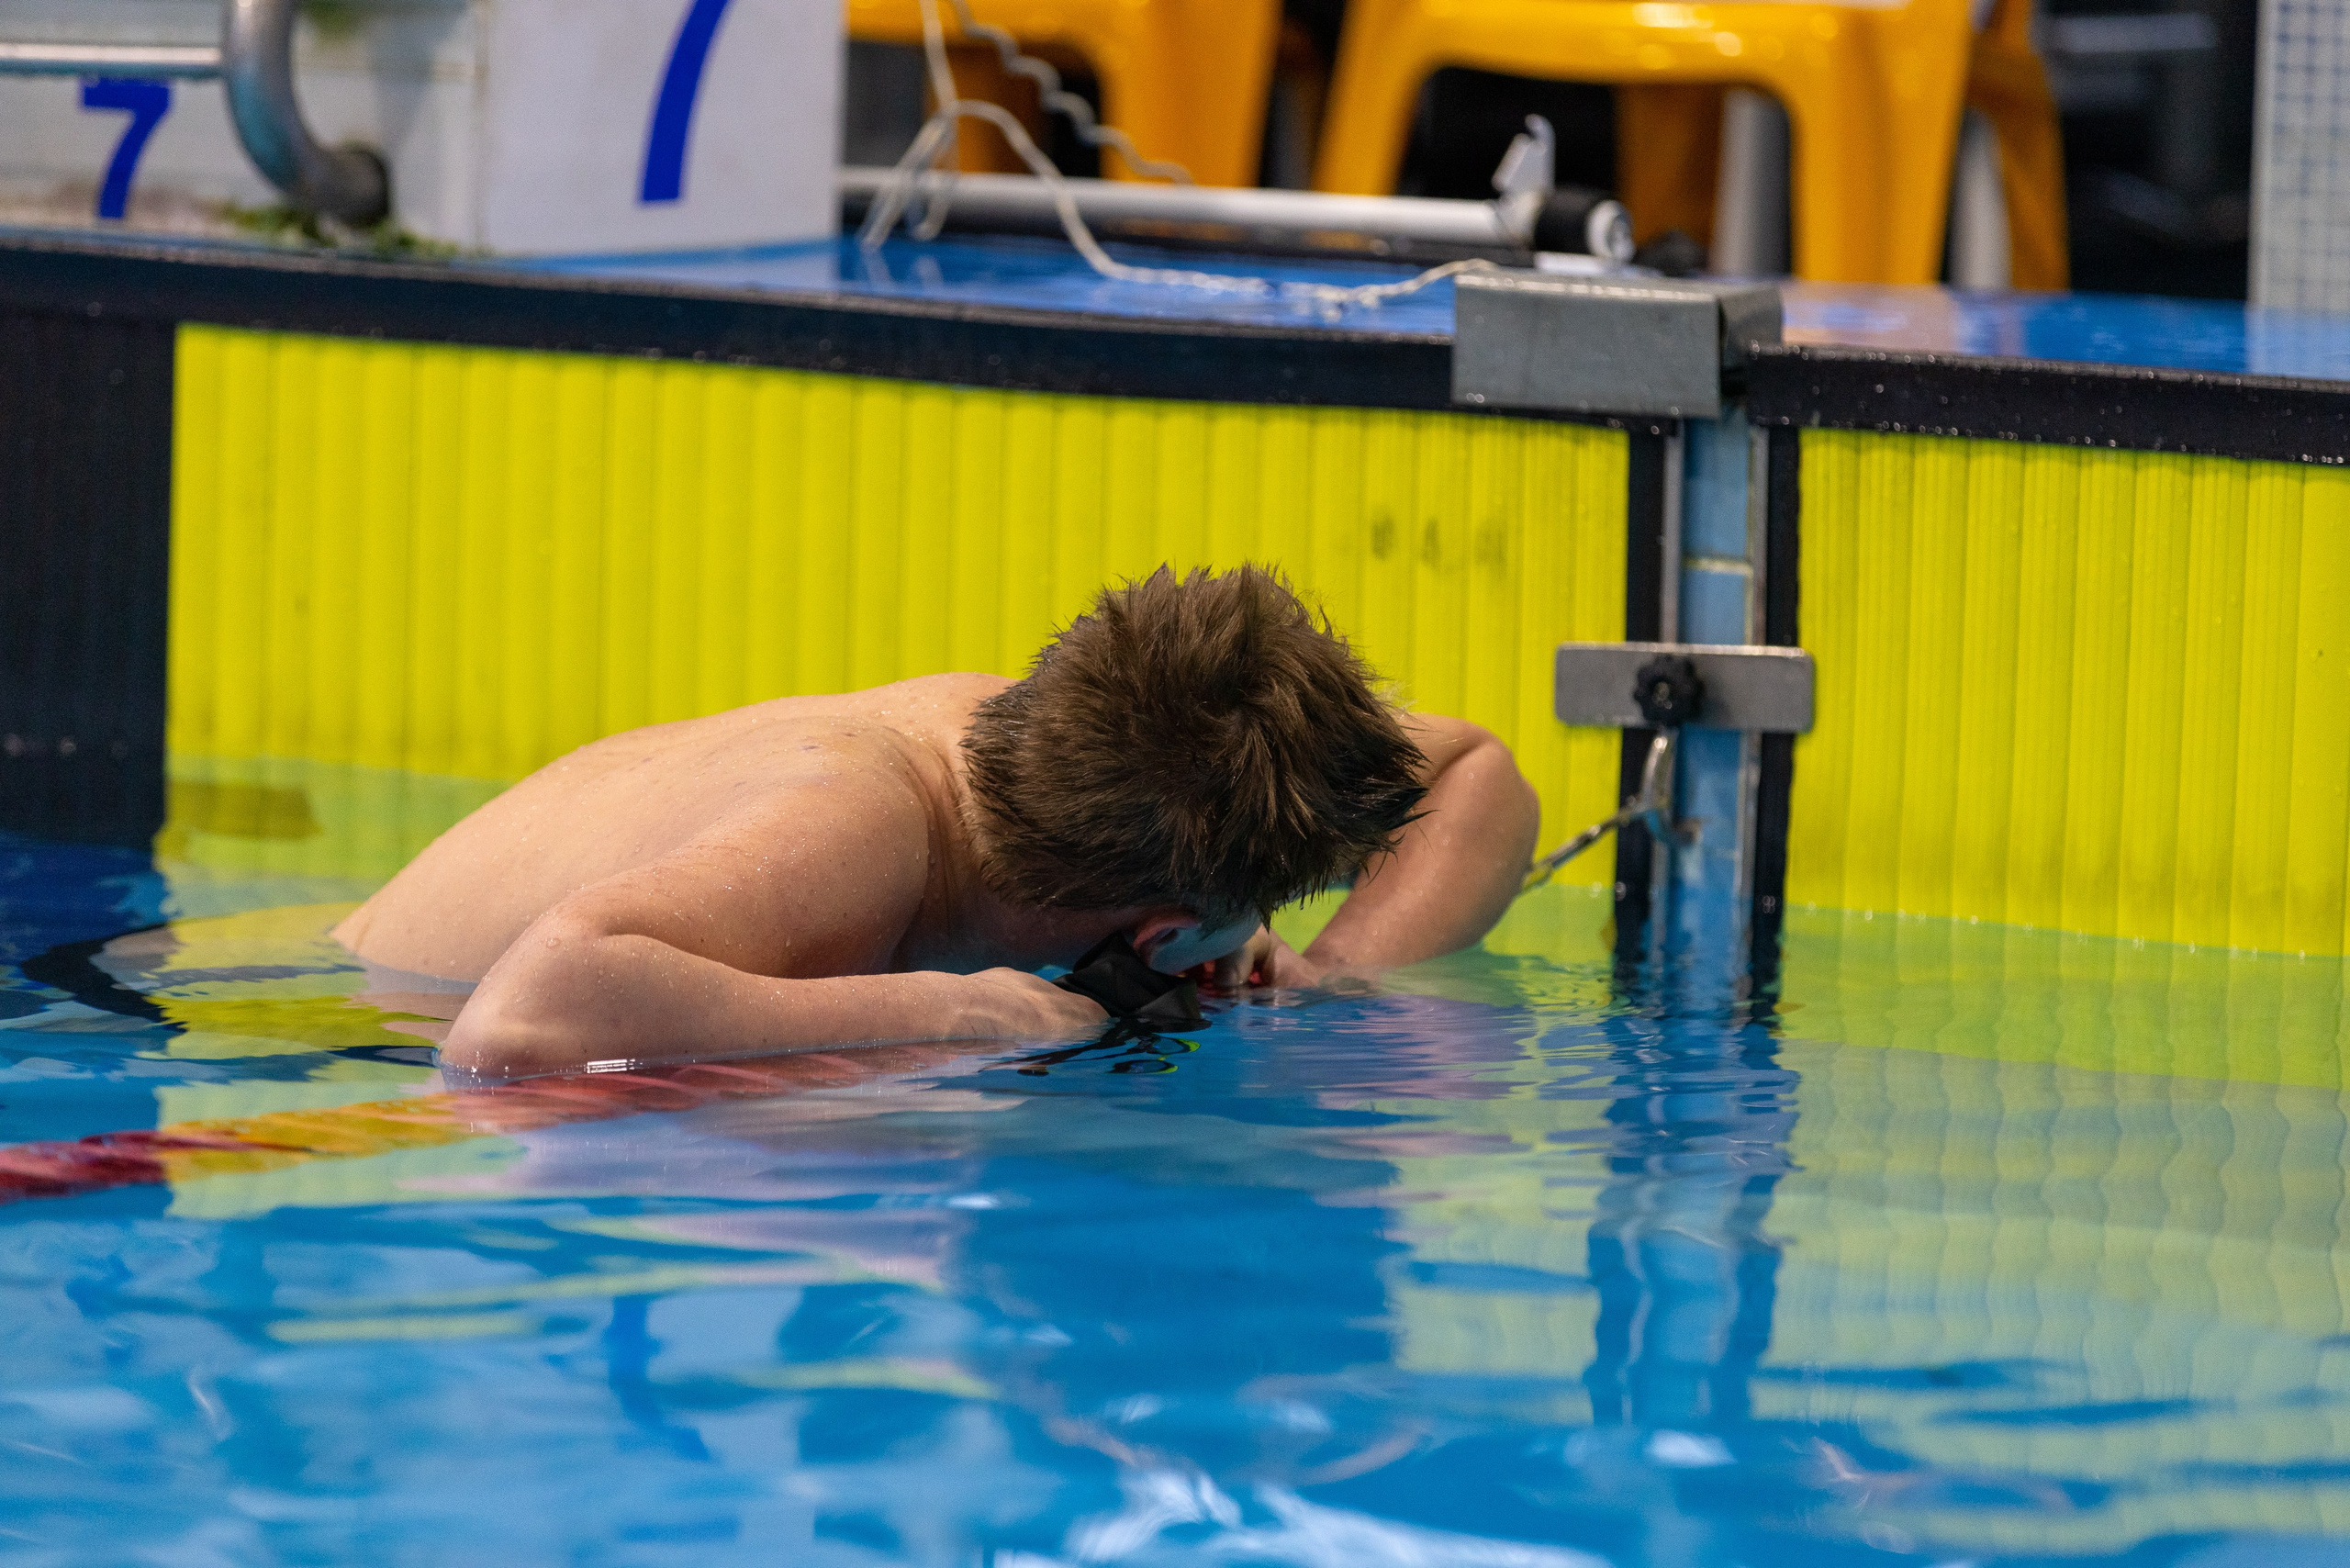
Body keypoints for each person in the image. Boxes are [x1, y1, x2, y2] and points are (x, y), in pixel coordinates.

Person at [334, 566, 1541, 1079]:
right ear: (1163, 934)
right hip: (342, 1019)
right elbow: (518, 1024)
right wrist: (943, 1012)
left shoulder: (1068, 741)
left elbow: (1479, 775)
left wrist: (1331, 971)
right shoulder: (863, 823)